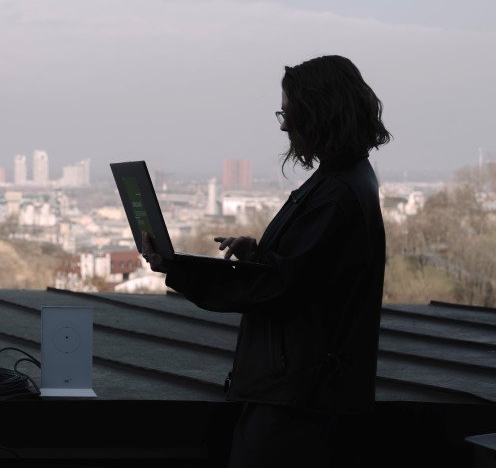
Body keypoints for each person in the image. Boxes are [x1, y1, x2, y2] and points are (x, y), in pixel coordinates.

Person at [142, 55, 390, 467]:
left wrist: (178, 268)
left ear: (318, 113)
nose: (284, 125)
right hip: (306, 392)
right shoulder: (347, 182)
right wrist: (259, 255)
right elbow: (310, 275)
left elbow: (277, 287)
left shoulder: (333, 194)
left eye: (289, 112)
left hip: (297, 398)